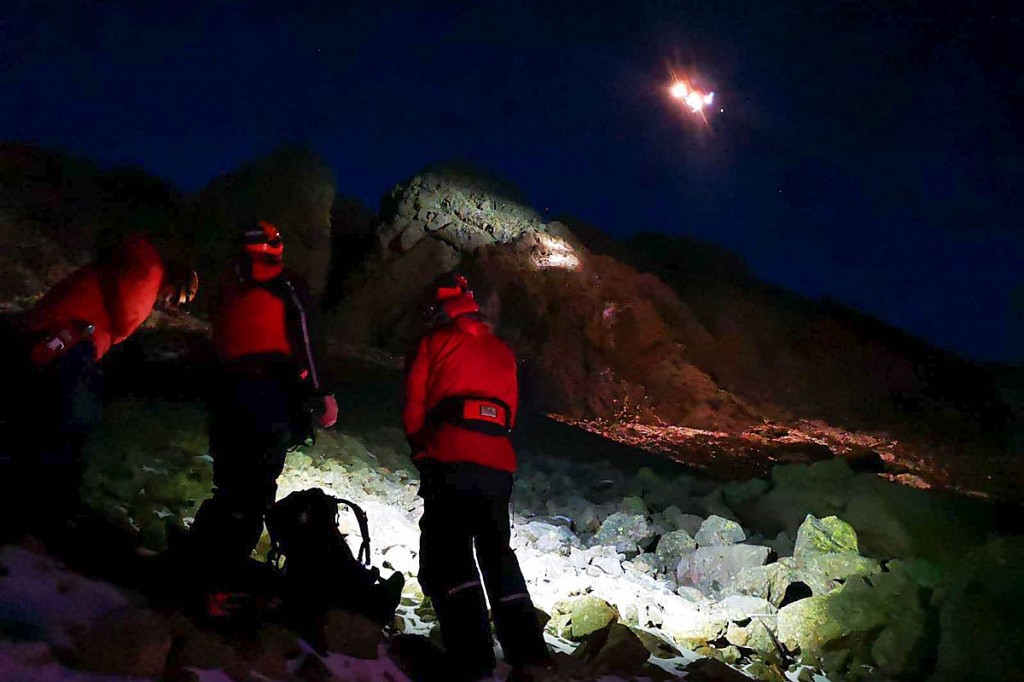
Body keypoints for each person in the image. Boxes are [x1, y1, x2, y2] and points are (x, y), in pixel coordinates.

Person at [0, 232, 198, 542]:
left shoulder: (133, 268)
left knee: (42, 420)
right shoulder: (149, 272)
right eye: (175, 300)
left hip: (61, 337)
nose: (167, 305)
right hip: (70, 340)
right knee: (71, 425)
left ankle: (32, 507)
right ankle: (42, 517)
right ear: (174, 284)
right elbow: (124, 320)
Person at [404, 273, 550, 681]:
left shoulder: (434, 342)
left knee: (447, 555)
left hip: (450, 457)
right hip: (497, 465)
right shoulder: (502, 352)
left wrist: (423, 449)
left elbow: (414, 405)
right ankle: (528, 652)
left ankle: (471, 657)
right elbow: (510, 415)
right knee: (496, 553)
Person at [186, 220, 337, 581]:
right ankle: (226, 570)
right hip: (270, 393)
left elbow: (221, 337)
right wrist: (323, 392)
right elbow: (306, 335)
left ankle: (202, 559)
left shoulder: (227, 286)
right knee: (256, 486)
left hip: (227, 392)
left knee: (229, 484)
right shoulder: (288, 284)